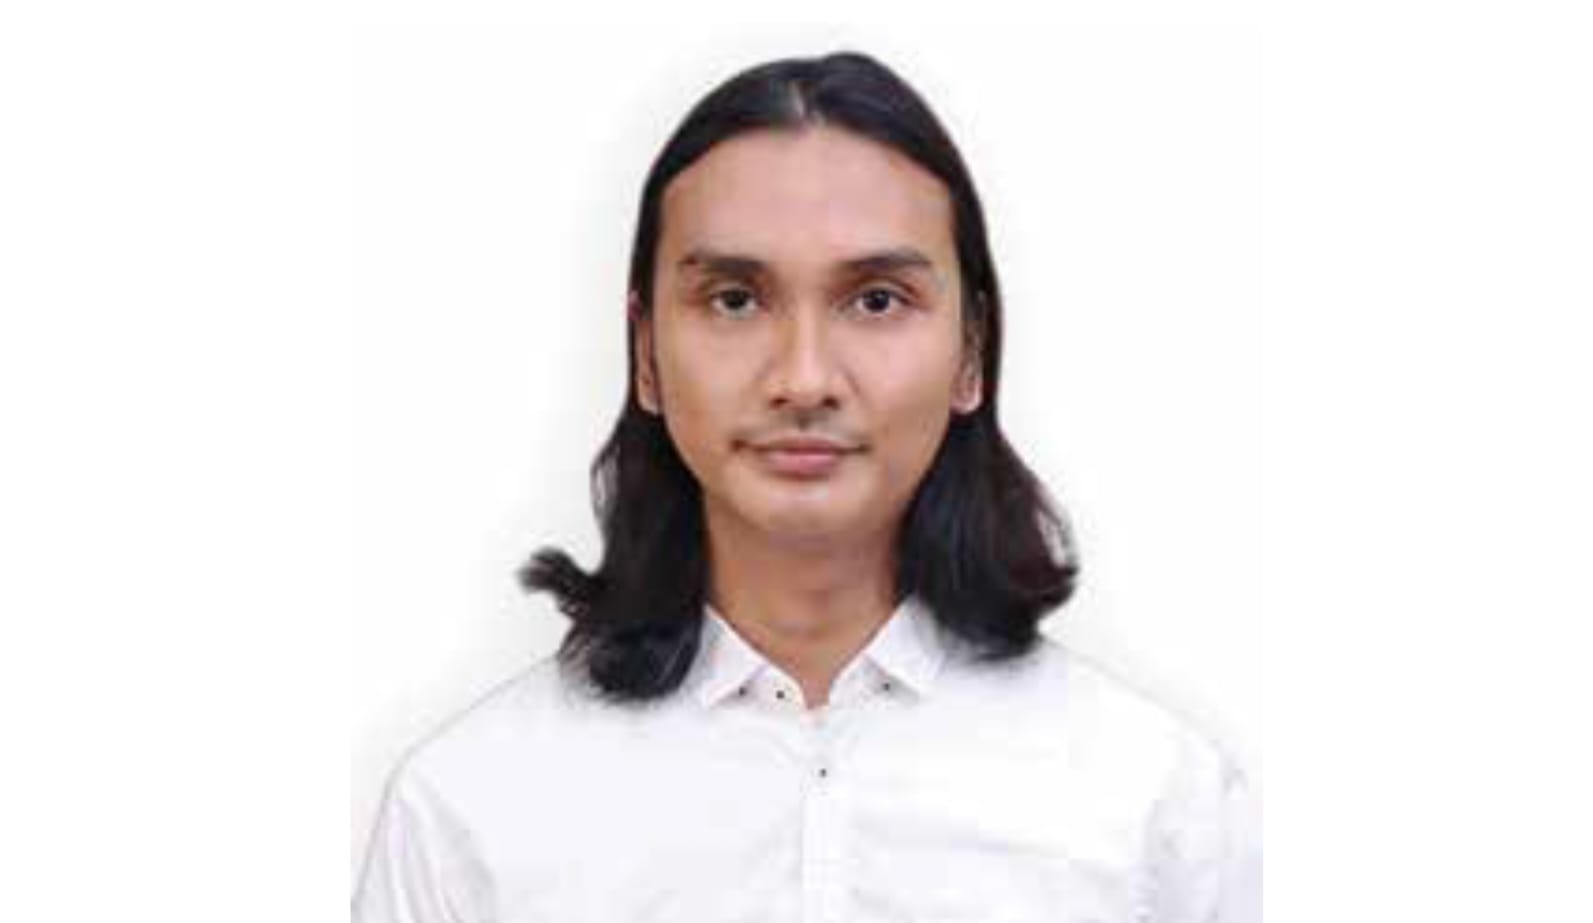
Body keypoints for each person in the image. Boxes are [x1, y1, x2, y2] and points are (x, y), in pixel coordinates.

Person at [352, 50, 1261, 923]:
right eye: (735, 300)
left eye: (876, 300)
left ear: (972, 352)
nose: (804, 377)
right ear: (646, 352)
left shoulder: (1159, 809)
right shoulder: (468, 812)